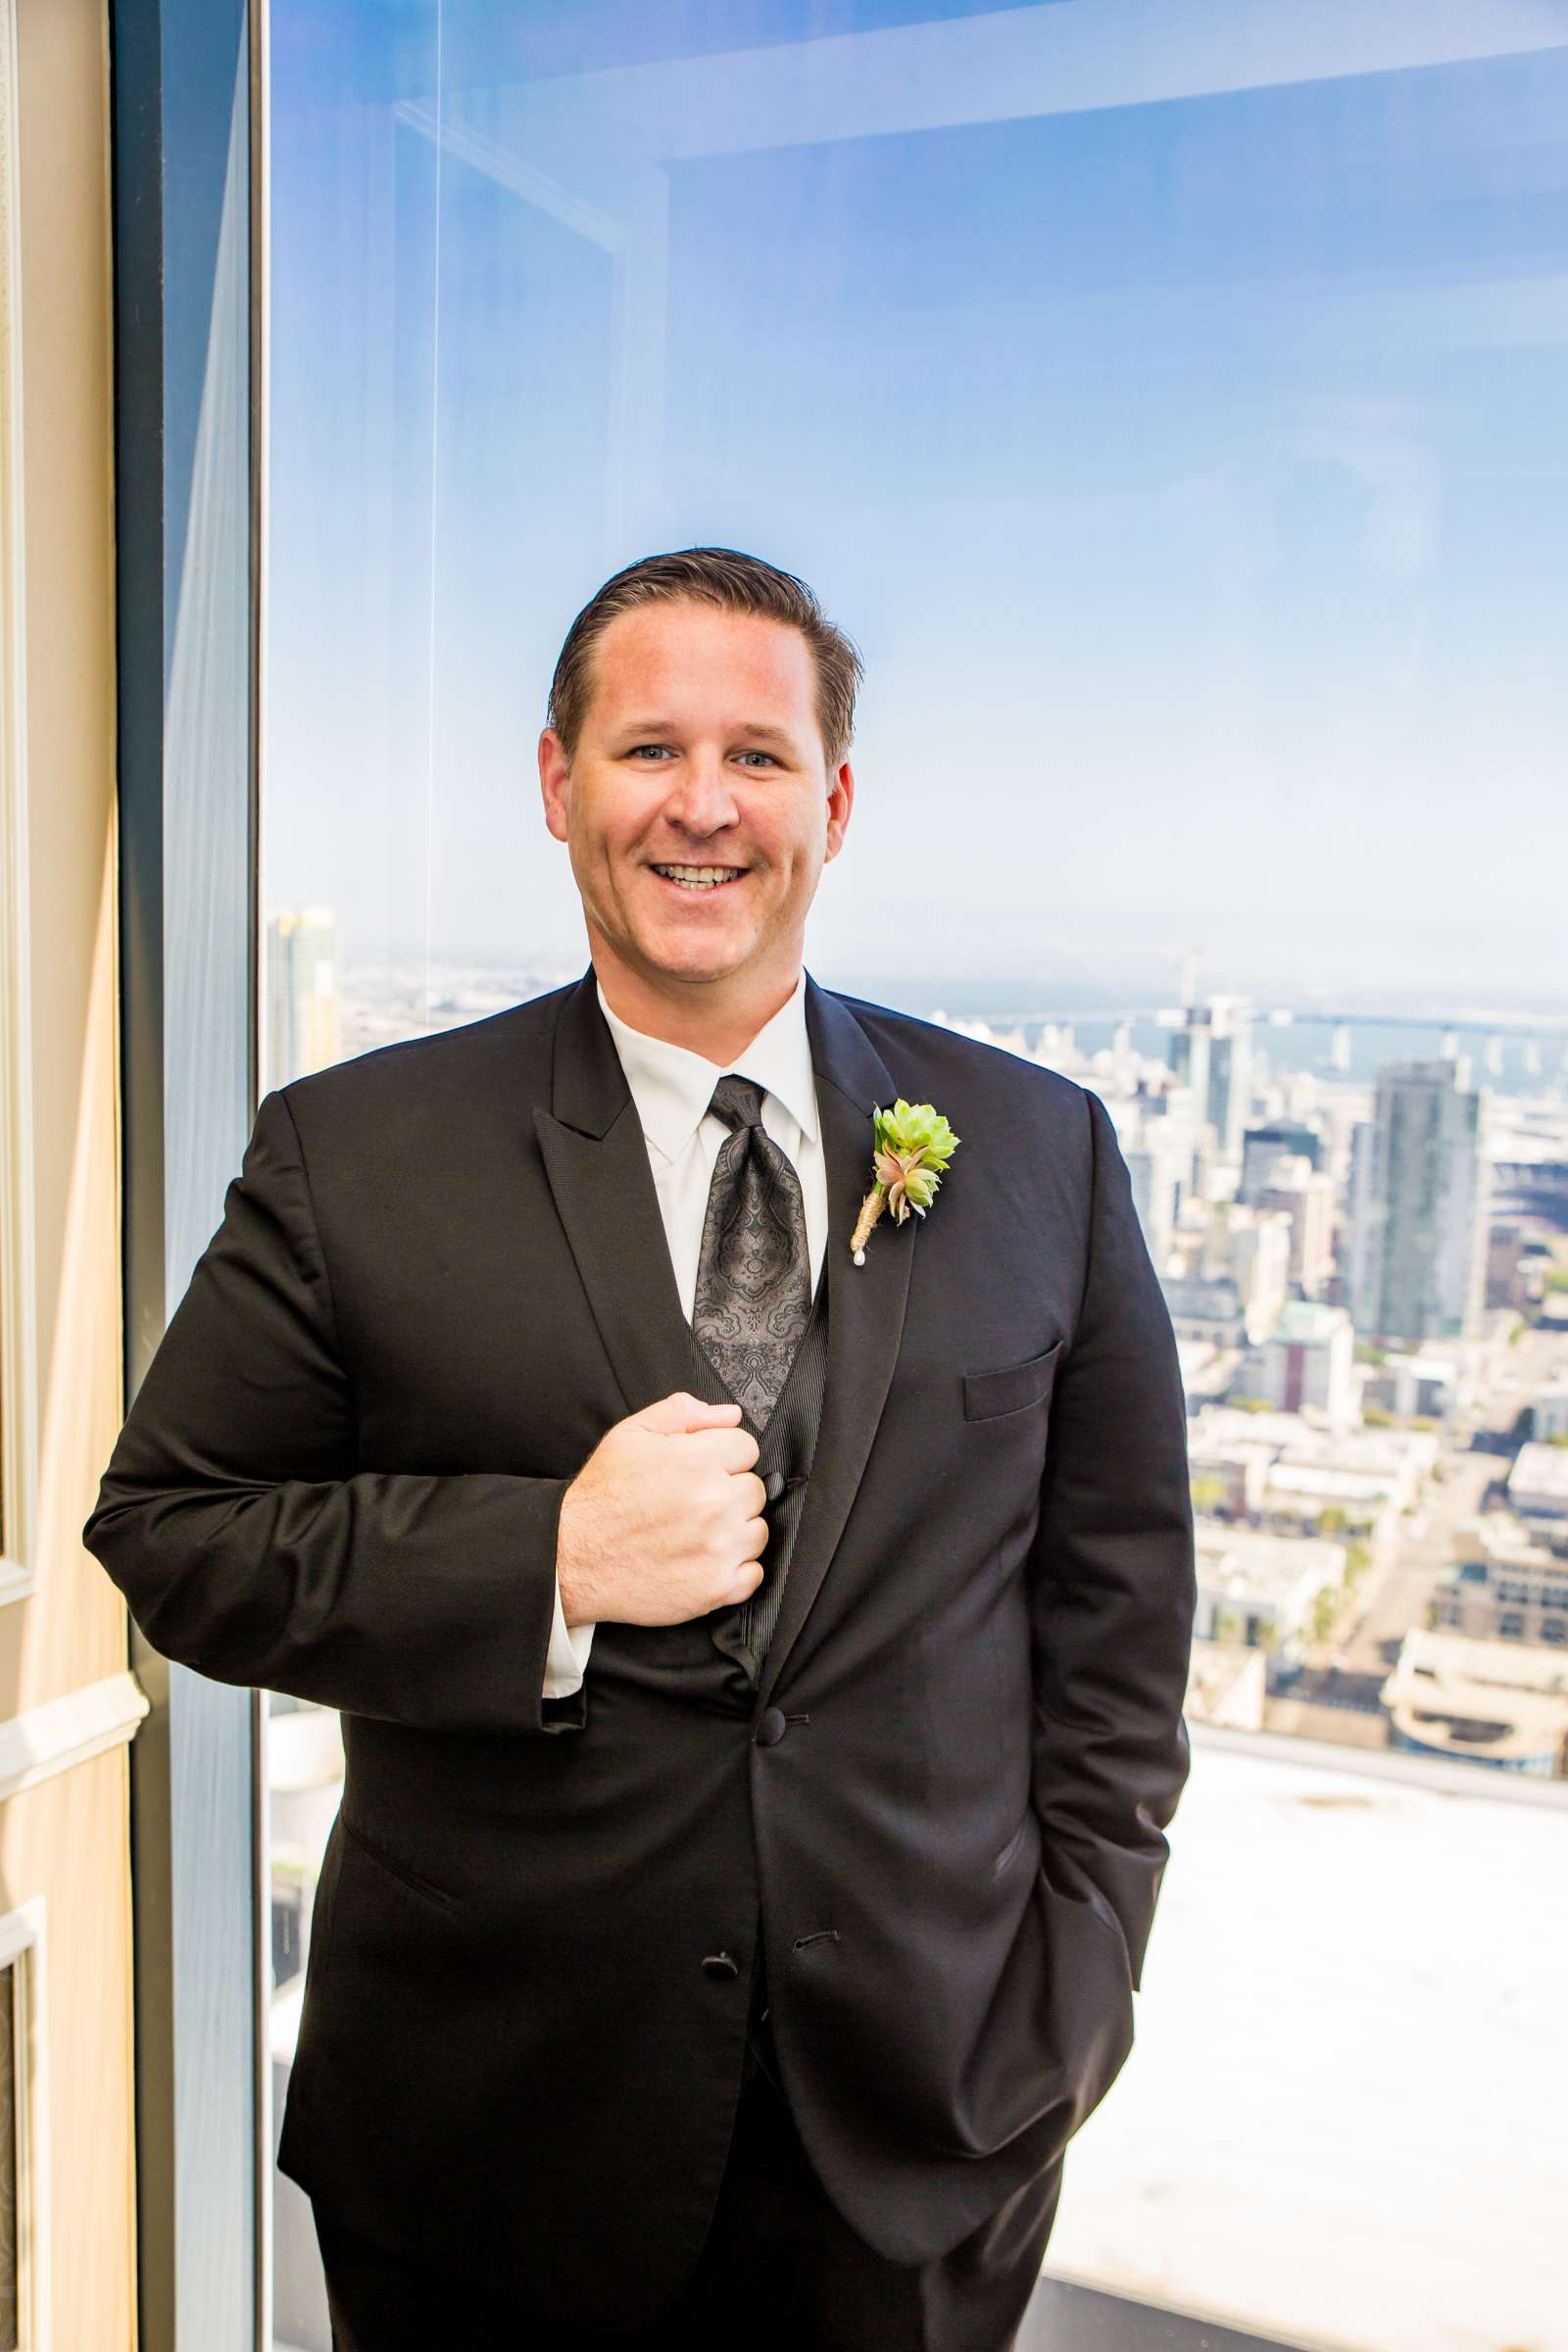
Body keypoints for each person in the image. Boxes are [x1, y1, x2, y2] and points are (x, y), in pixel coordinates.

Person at [83, 546, 1197, 2349]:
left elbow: (1119, 1626)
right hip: (488, 2135)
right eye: (647, 750)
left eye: (757, 757)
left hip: (921, 2140)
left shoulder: (1040, 1150)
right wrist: (551, 1566)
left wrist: (1072, 2000)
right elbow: (175, 1530)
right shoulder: (357, 1153)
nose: (703, 806)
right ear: (557, 784)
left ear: (831, 804)